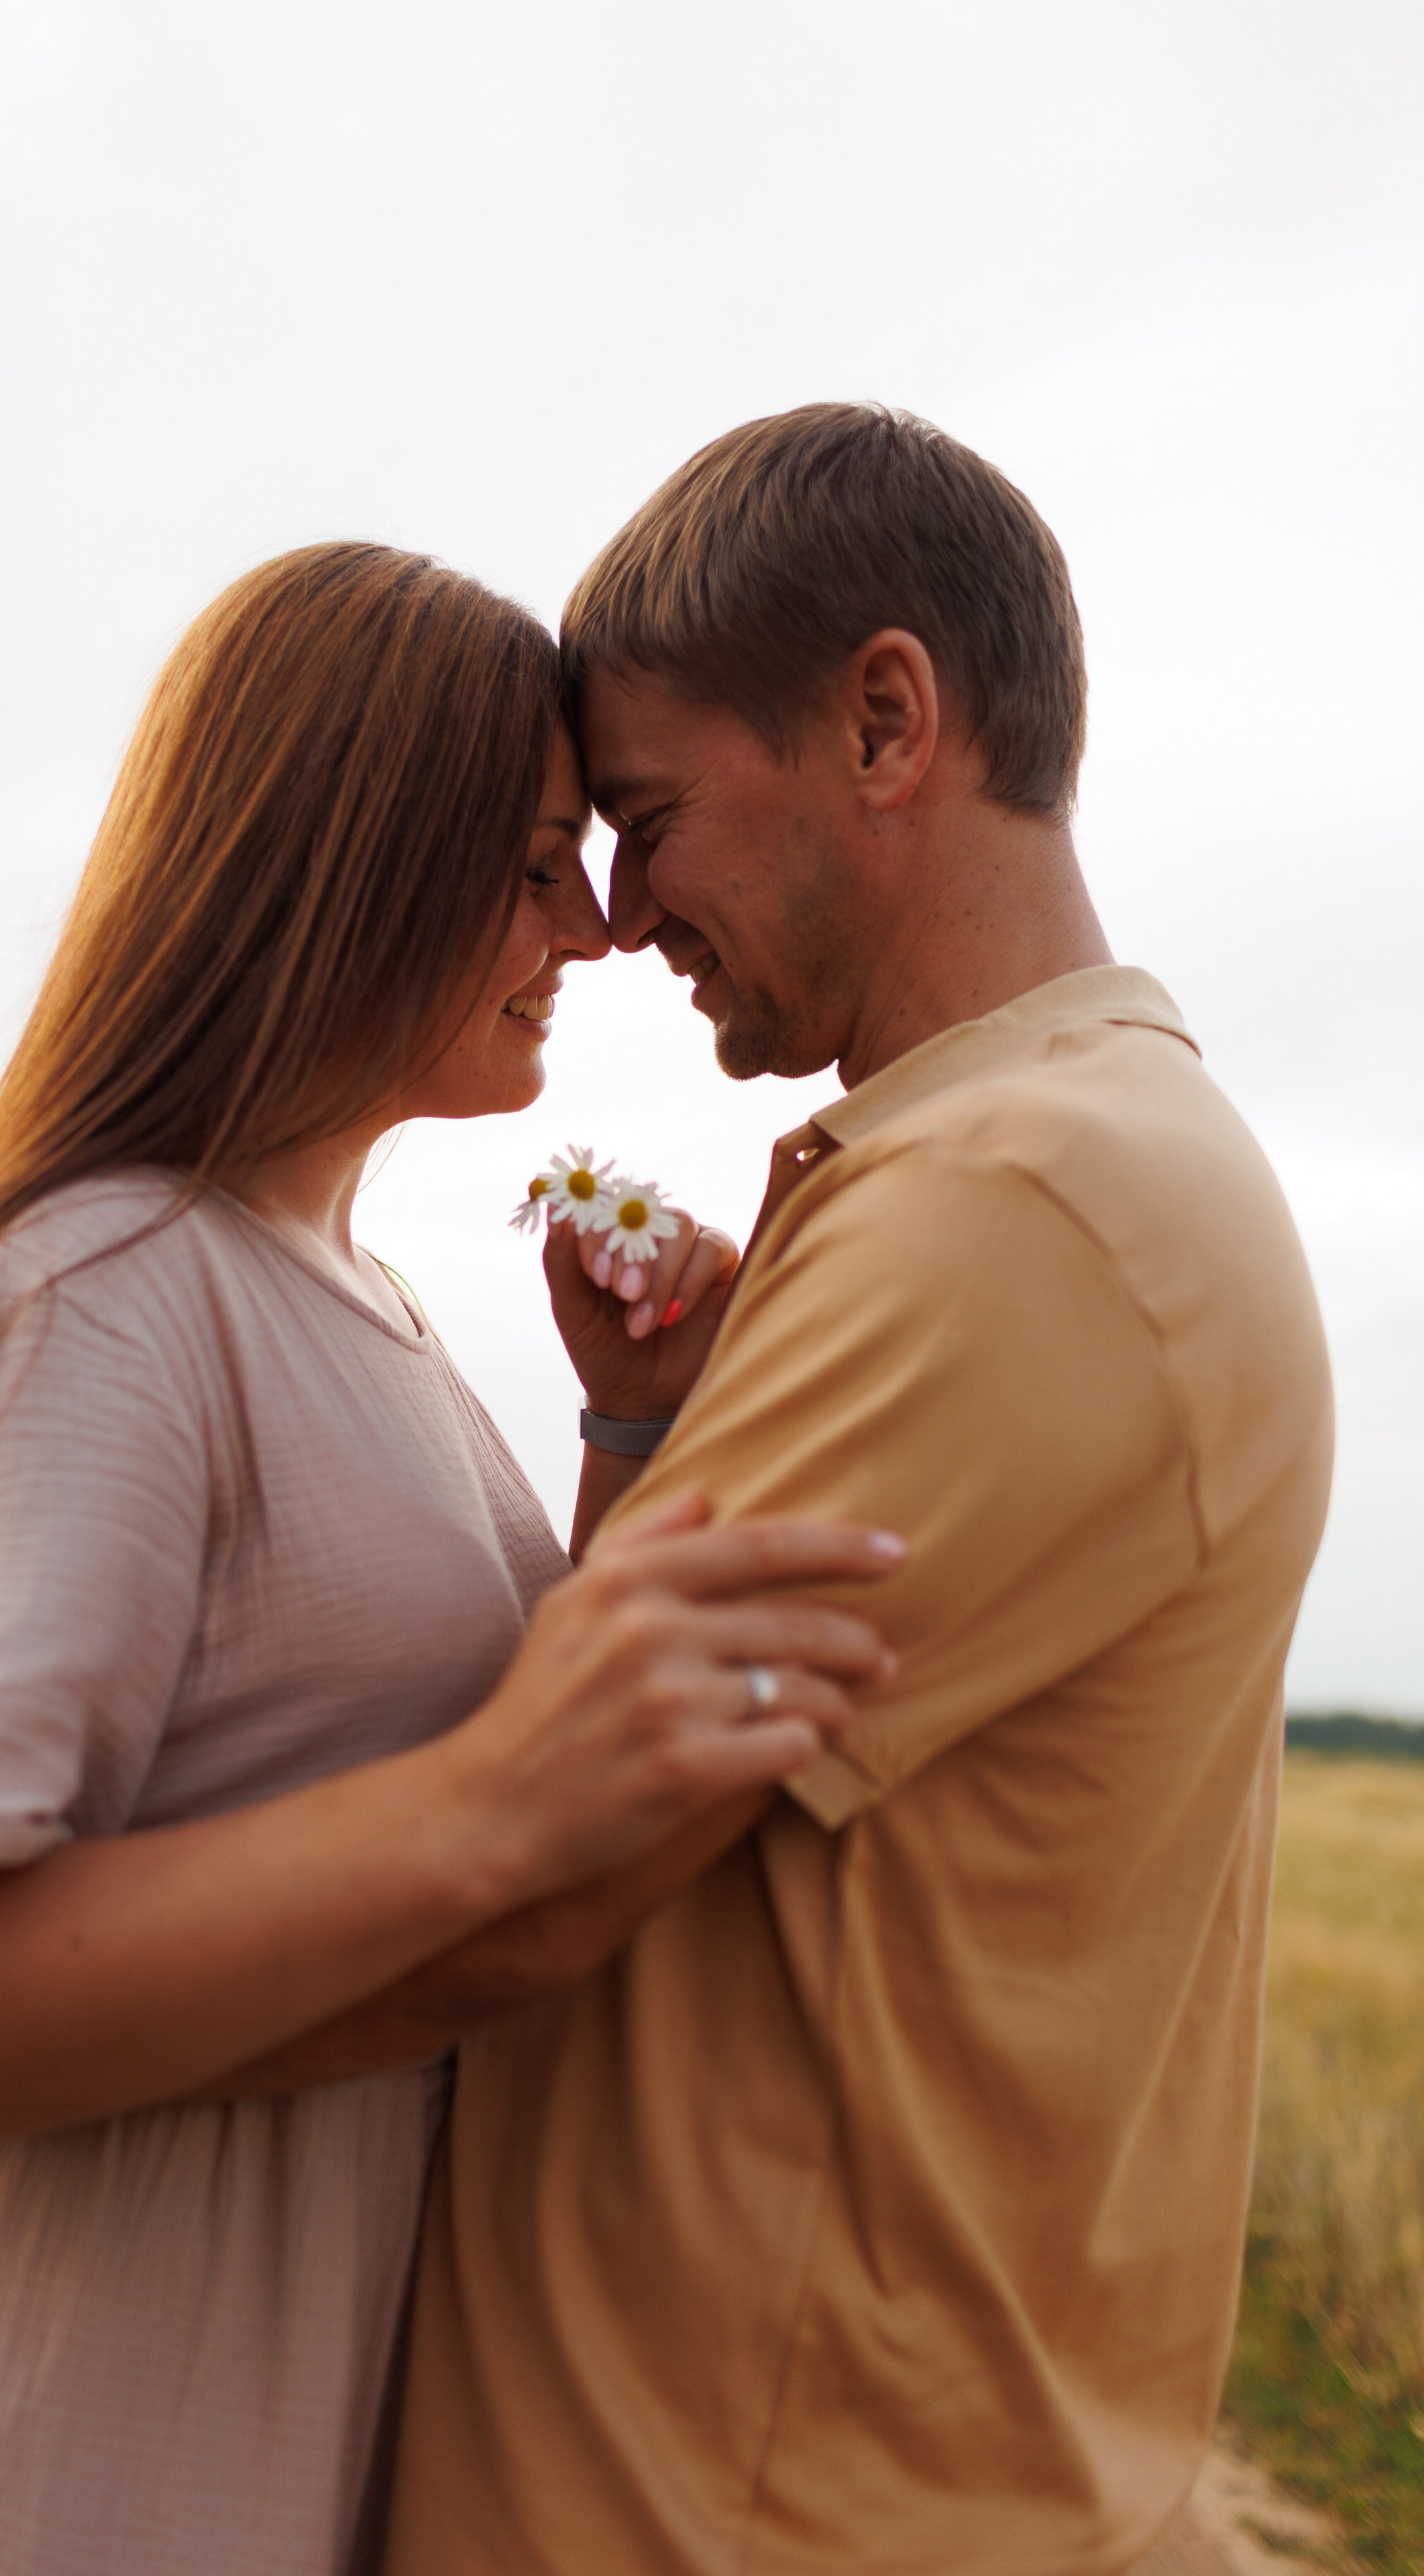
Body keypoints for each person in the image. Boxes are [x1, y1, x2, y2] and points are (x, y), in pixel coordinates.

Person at [0, 543, 903, 2576]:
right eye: (536, 862)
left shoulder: (356, 1299)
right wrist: (485, 1808)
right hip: (43, 2479)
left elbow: (426, 1773)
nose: (596, 927)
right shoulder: (106, 1290)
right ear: (362, 861)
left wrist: (627, 1435)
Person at [384, 407, 1335, 2576]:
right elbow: (690, 1800)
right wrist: (642, 1438)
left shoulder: (1024, 1200)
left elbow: (532, 1863)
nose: (618, 917)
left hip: (726, 2515)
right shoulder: (1043, 1166)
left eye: (646, 815)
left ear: (887, 721)